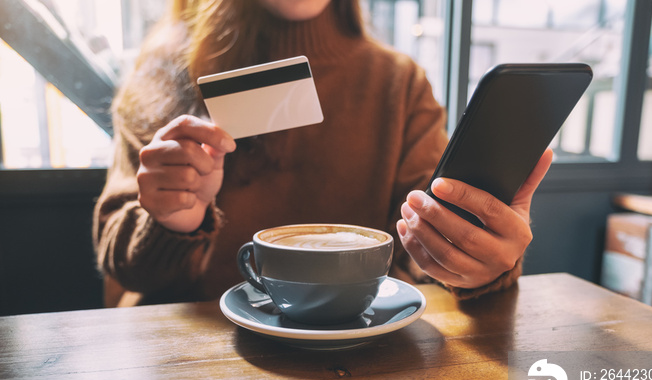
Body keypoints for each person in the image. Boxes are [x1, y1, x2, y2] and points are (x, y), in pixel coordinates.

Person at [93, 0, 552, 307]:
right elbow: (124, 268)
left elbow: (425, 251)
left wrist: (473, 259)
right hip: (193, 371)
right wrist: (172, 220)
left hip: (361, 369)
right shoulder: (164, 68)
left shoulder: (398, 84)